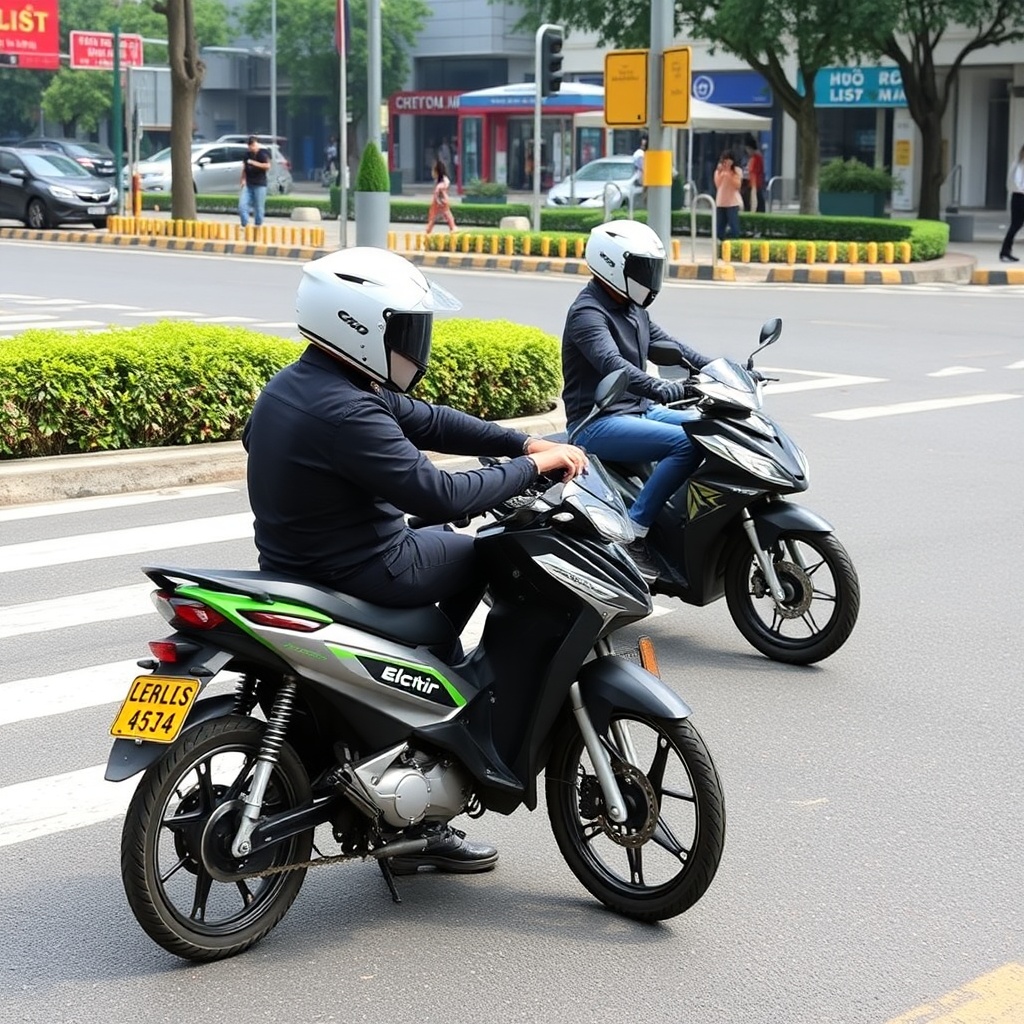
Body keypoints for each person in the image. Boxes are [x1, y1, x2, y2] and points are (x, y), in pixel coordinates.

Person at [243, 248, 587, 873]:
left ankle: (415, 685)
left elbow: (429, 421)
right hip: (364, 569)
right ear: (359, 325)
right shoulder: (348, 410)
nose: (415, 345)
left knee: (441, 533)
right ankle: (445, 691)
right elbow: (441, 494)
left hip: (296, 564)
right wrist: (532, 467)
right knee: (485, 548)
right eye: (405, 329)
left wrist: (519, 439)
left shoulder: (304, 385)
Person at [561, 220, 712, 580]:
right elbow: (614, 366)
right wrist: (660, 388)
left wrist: (719, 370)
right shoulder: (588, 314)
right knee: (686, 445)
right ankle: (635, 530)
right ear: (613, 264)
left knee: (713, 430)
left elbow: (673, 349)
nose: (650, 277)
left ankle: (679, 519)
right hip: (595, 422)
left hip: (639, 412)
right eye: (643, 268)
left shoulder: (632, 307)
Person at [239, 135, 272, 228]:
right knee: (242, 205)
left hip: (260, 184)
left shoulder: (263, 154)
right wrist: (243, 179)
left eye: (254, 145)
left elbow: (267, 166)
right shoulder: (247, 155)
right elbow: (244, 168)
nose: (253, 147)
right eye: (251, 145)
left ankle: (258, 225)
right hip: (248, 184)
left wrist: (254, 163)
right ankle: (245, 224)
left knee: (258, 207)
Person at [999, 142, 1024, 262]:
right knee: (1016, 225)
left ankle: (1005, 251)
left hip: (1018, 196)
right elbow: (1015, 183)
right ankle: (1005, 251)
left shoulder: (1018, 163)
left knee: (1016, 225)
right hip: (1020, 197)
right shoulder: (1019, 165)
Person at [714, 149, 743, 241]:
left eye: (728, 160)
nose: (726, 163)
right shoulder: (718, 172)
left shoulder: (737, 171)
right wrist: (721, 173)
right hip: (721, 202)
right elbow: (718, 184)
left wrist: (729, 174)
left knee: (734, 227)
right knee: (719, 228)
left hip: (732, 203)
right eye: (724, 160)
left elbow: (737, 185)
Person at [425, 159, 456, 234]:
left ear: (437, 172)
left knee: (435, 216)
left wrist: (438, 198)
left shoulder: (441, 183)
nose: (432, 172)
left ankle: (428, 230)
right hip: (442, 200)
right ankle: (453, 228)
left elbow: (439, 190)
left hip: (439, 201)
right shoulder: (442, 180)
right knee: (446, 214)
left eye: (433, 170)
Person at [744, 135, 766, 213]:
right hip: (758, 187)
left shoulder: (754, 160)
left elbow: (753, 176)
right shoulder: (759, 158)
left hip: (754, 187)